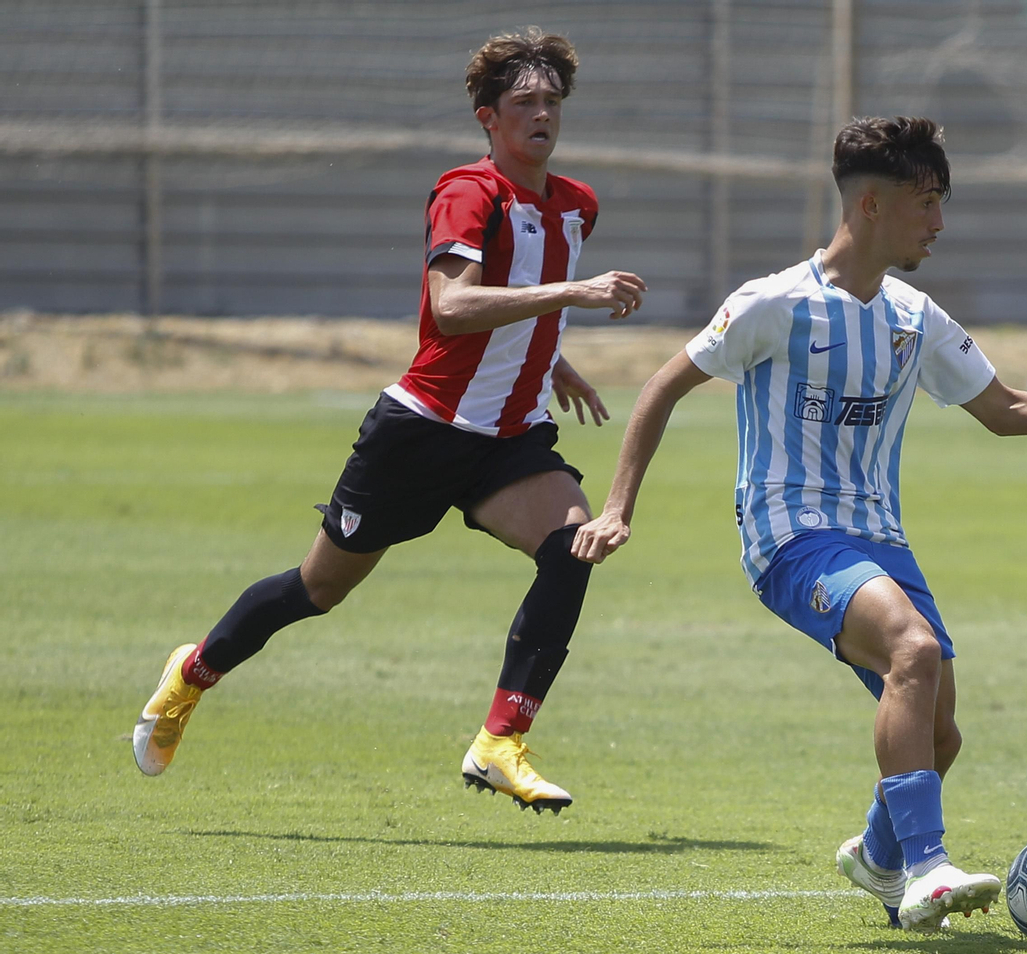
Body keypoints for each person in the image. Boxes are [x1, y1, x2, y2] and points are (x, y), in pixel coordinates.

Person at [572, 116, 1027, 931]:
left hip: (880, 540)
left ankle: (877, 856)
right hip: (789, 535)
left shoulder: (914, 316)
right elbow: (661, 386)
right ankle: (927, 869)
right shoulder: (774, 303)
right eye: (926, 202)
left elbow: (1006, 410)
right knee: (914, 649)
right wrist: (618, 508)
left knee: (941, 734)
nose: (939, 222)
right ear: (870, 205)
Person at [133, 28, 647, 815]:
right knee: (316, 590)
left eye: (552, 101)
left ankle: (500, 742)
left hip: (509, 439)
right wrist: (574, 297)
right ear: (488, 118)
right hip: (421, 433)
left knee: (571, 545)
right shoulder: (468, 192)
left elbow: (517, 303)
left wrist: (551, 360)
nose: (542, 113)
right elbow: (453, 305)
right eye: (524, 103)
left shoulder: (577, 204)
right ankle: (192, 674)